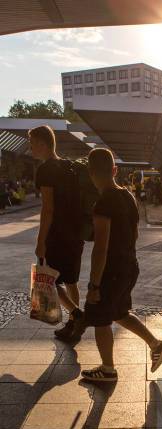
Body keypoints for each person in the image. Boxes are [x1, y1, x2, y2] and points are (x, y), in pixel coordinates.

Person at [81, 148, 162, 382]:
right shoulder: (127, 196)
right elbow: (135, 233)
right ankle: (156, 344)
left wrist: (94, 285)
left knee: (100, 318)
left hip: (111, 270)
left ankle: (108, 369)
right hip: (130, 265)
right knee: (120, 312)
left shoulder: (103, 203)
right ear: (114, 170)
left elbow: (100, 248)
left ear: (91, 173)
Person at [29, 125, 85, 342]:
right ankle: (73, 326)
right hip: (76, 233)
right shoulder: (69, 166)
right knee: (71, 281)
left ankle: (77, 315)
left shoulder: (45, 170)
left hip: (58, 235)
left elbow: (48, 208)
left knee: (50, 280)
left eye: (32, 143)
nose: (31, 147)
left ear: (43, 143)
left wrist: (41, 240)